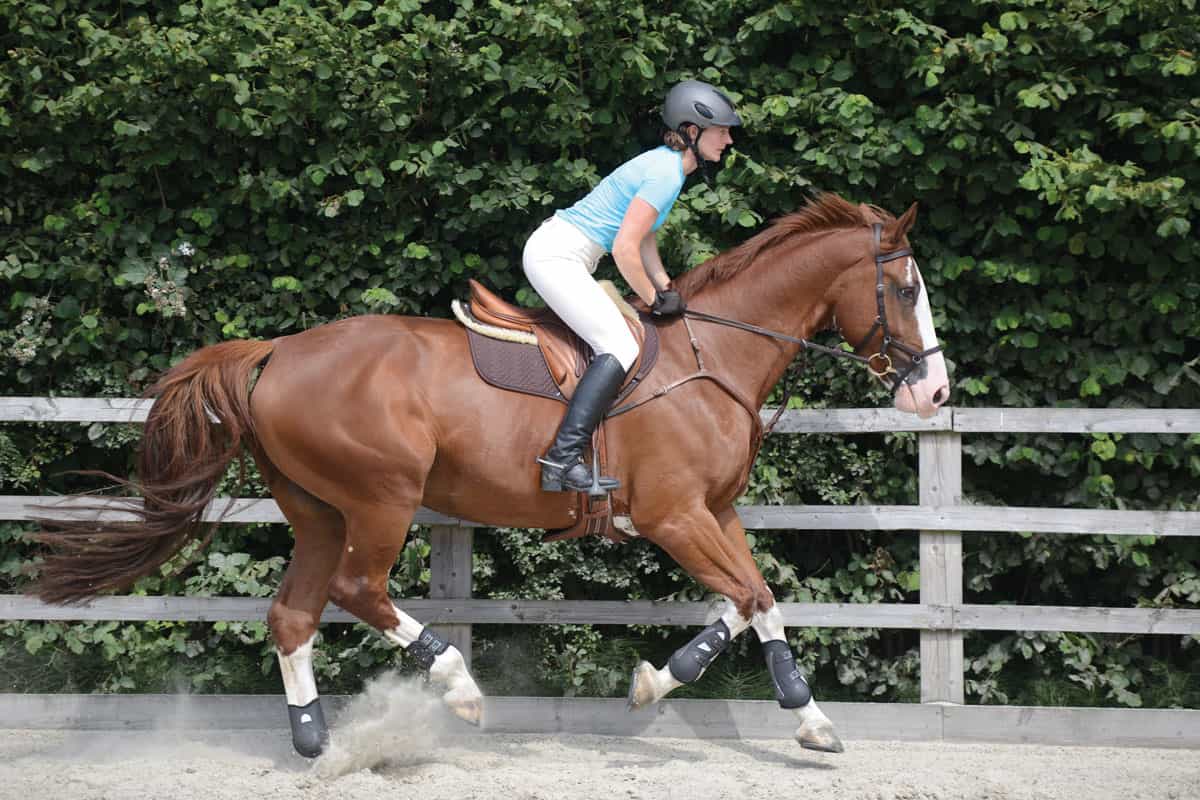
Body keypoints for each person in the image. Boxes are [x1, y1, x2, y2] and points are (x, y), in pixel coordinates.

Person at [523, 79, 742, 494]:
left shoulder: (667, 167)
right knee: (621, 347)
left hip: (567, 254)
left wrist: (663, 285)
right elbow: (624, 249)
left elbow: (644, 237)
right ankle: (561, 459)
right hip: (556, 257)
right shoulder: (664, 174)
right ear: (692, 133)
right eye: (722, 132)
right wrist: (651, 298)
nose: (728, 140)